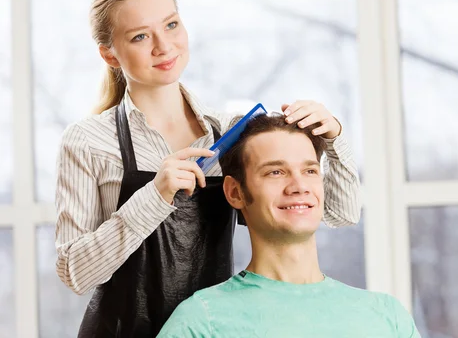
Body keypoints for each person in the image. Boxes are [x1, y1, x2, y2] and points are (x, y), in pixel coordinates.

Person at [54, 0, 362, 337]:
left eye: (171, 25)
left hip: (210, 330)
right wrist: (154, 197)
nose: (163, 46)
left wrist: (333, 139)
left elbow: (339, 213)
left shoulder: (231, 132)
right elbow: (75, 272)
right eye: (140, 36)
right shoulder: (87, 141)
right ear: (110, 54)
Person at [157, 114, 419, 338]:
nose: (299, 186)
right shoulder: (202, 321)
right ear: (235, 192)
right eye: (275, 172)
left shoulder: (387, 317)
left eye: (310, 171)